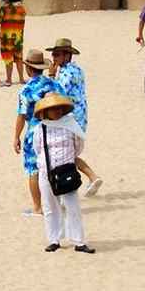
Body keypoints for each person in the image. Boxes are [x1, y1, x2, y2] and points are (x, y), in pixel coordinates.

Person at [29, 94, 95, 253]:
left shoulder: (71, 124)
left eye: (58, 108)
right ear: (45, 111)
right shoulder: (40, 128)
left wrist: (66, 158)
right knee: (50, 206)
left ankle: (79, 241)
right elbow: (38, 149)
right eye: (52, 108)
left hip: (67, 172)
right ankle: (54, 239)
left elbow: (78, 147)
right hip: (47, 172)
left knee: (73, 207)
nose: (56, 111)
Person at [48, 39, 102, 195]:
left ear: (67, 55)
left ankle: (91, 177)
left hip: (70, 119)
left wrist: (51, 76)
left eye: (57, 55)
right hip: (80, 117)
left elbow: (57, 95)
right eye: (53, 54)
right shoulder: (77, 69)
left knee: (65, 155)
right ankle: (92, 177)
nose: (54, 58)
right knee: (69, 154)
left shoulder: (67, 73)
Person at [15, 49, 61, 217]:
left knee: (33, 169)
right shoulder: (53, 84)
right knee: (53, 166)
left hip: (34, 132)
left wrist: (16, 137)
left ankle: (37, 207)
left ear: (28, 68)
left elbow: (21, 115)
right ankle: (56, 204)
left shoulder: (26, 90)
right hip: (54, 129)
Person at [0, 0, 27, 86]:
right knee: (19, 58)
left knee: (8, 58)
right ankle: (21, 79)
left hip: (6, 38)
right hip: (19, 38)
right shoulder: (22, 9)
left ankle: (9, 80)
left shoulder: (4, 9)